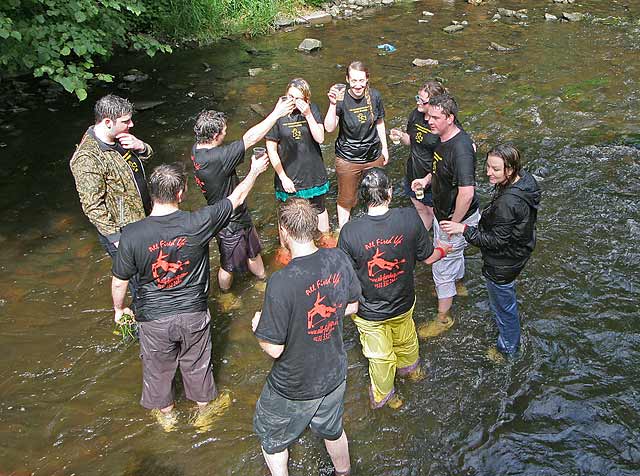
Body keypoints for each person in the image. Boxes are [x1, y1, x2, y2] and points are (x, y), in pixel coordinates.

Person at [111, 156, 269, 432]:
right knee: (197, 363)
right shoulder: (199, 221)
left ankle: (167, 417)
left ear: (152, 193)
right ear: (181, 193)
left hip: (153, 318)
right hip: (192, 313)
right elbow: (237, 197)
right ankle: (204, 412)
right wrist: (255, 170)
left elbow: (119, 281)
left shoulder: (132, 234)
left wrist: (119, 309)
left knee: (158, 369)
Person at [252, 198, 361, 476]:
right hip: (334, 371)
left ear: (284, 230)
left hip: (294, 383)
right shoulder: (338, 258)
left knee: (272, 437)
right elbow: (352, 306)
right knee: (332, 429)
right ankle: (344, 472)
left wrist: (258, 329)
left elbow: (274, 349)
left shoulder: (281, 282)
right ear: (315, 227)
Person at [337, 168, 450, 409]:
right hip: (403, 302)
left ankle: (388, 398)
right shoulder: (409, 218)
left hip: (370, 313)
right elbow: (428, 258)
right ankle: (413, 372)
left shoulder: (349, 232)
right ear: (388, 192)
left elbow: (344, 278)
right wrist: (444, 250)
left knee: (380, 359)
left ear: (361, 197)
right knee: (407, 339)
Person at [441, 144, 540, 358]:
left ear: (510, 169)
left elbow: (495, 242)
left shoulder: (507, 204)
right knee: (505, 301)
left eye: (495, 169)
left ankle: (508, 351)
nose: (488, 173)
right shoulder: (526, 182)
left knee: (504, 309)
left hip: (503, 263)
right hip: (520, 250)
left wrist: (464, 229)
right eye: (487, 166)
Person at [191, 97, 294, 291]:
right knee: (227, 266)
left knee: (254, 251)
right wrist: (276, 113)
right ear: (214, 136)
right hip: (227, 220)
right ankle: (224, 294)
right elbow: (250, 139)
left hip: (239, 213)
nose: (226, 132)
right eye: (223, 131)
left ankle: (263, 281)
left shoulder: (197, 150)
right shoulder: (217, 158)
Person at [70, 94, 153, 306]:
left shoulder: (121, 138)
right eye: (126, 121)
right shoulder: (87, 158)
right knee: (138, 282)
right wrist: (116, 238)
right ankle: (139, 323)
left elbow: (146, 157)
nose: (131, 124)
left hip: (143, 218)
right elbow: (92, 205)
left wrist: (141, 146)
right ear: (107, 122)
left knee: (152, 271)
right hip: (123, 231)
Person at [415, 93, 480, 337]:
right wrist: (426, 180)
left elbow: (467, 192)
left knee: (441, 266)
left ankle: (443, 319)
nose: (429, 121)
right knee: (455, 257)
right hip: (449, 216)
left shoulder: (461, 149)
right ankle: (458, 286)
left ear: (450, 118)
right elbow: (441, 170)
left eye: (435, 117)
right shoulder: (442, 139)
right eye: (428, 116)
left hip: (455, 218)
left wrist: (453, 224)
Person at [266, 78, 335, 258]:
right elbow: (271, 150)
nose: (293, 101)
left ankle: (325, 240)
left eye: (298, 98)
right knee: (286, 215)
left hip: (313, 173)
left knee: (319, 208)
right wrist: (283, 177)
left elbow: (320, 138)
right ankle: (286, 249)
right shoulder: (277, 115)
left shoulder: (313, 110)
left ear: (306, 99)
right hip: (289, 177)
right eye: (290, 97)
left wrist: (308, 115)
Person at [324, 61, 389, 229]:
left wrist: (385, 148)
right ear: (347, 79)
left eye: (361, 80)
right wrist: (332, 104)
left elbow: (379, 122)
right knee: (347, 199)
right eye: (354, 81)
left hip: (373, 155)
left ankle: (376, 228)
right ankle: (343, 232)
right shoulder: (341, 98)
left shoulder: (375, 96)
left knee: (377, 193)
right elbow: (329, 128)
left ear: (367, 79)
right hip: (348, 158)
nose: (357, 85)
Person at [389, 81, 448, 230]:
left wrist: (428, 179)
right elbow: (411, 140)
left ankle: (439, 242)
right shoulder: (416, 114)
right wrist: (401, 135)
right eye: (418, 97)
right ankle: (424, 241)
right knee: (421, 209)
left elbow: (447, 157)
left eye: (422, 100)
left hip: (433, 178)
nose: (418, 102)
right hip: (414, 172)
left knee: (437, 213)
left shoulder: (443, 123)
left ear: (435, 103)